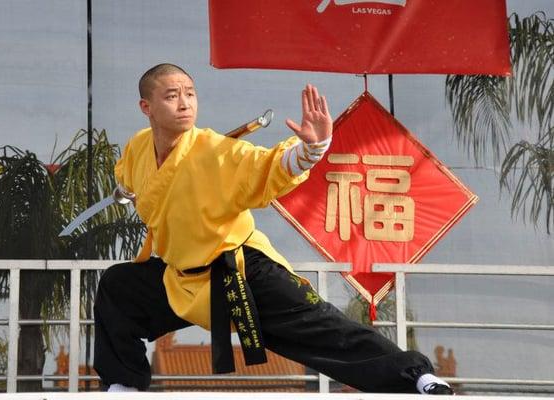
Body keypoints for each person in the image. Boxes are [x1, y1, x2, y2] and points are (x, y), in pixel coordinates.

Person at [93, 63, 453, 395]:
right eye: (172, 96)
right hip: (182, 279)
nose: (185, 103)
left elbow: (269, 166)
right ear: (147, 107)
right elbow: (129, 178)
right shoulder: (139, 147)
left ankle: (417, 376)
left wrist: (312, 148)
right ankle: (123, 387)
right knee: (118, 287)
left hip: (240, 271)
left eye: (190, 93)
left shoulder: (218, 152)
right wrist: (124, 192)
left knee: (325, 328)